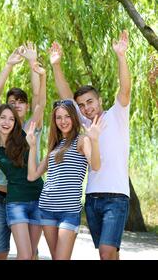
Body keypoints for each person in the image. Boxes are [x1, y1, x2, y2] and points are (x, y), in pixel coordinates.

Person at [49, 30, 131, 260]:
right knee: (110, 253)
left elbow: (125, 90)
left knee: (106, 253)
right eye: (82, 105)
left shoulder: (117, 114)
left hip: (116, 196)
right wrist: (56, 65)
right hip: (93, 198)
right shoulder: (84, 123)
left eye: (90, 102)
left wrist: (121, 56)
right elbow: (65, 96)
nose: (86, 108)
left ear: (99, 100)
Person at [0, 42, 44, 260]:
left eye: (21, 102)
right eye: (12, 102)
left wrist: (32, 63)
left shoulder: (32, 128)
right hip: (3, 199)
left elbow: (39, 98)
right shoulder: (3, 129)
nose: (17, 105)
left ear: (26, 107)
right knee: (1, 252)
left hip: (30, 197)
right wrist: (9, 65)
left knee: (30, 253)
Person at [25, 101, 103, 259]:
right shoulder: (55, 146)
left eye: (67, 116)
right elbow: (32, 175)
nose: (63, 121)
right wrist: (32, 147)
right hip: (47, 208)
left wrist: (94, 140)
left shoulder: (82, 140)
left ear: (74, 118)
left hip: (69, 211)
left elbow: (95, 165)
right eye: (58, 117)